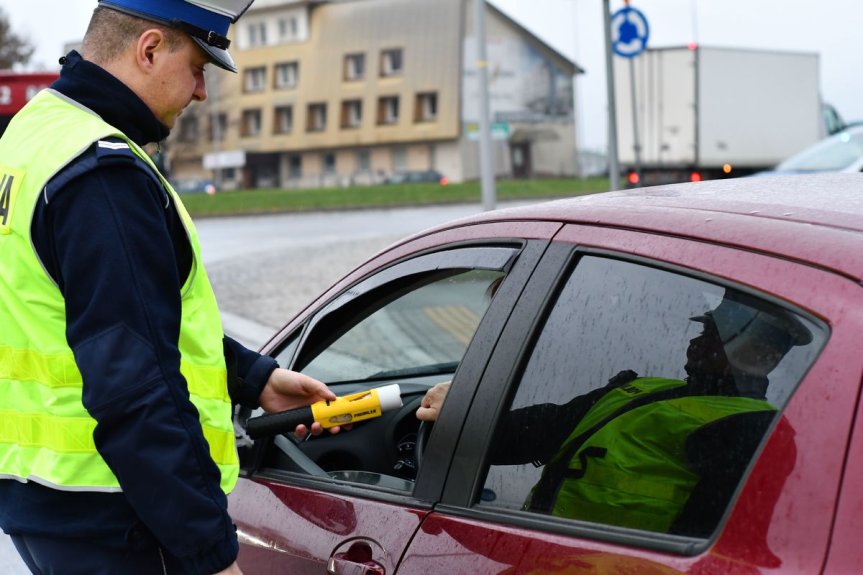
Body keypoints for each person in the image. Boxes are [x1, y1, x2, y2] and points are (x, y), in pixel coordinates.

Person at [0, 1, 339, 573]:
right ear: (149, 48)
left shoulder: (28, 138)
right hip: (123, 517)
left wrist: (252, 378)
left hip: (44, 499)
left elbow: (79, 314)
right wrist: (210, 553)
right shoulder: (102, 174)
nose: (201, 92)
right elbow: (136, 390)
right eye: (198, 68)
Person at [416, 297, 810, 536]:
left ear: (764, 357)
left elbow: (708, 540)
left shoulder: (753, 429)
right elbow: (536, 431)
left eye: (715, 336)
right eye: (703, 328)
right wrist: (466, 409)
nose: (696, 340)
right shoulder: (644, 388)